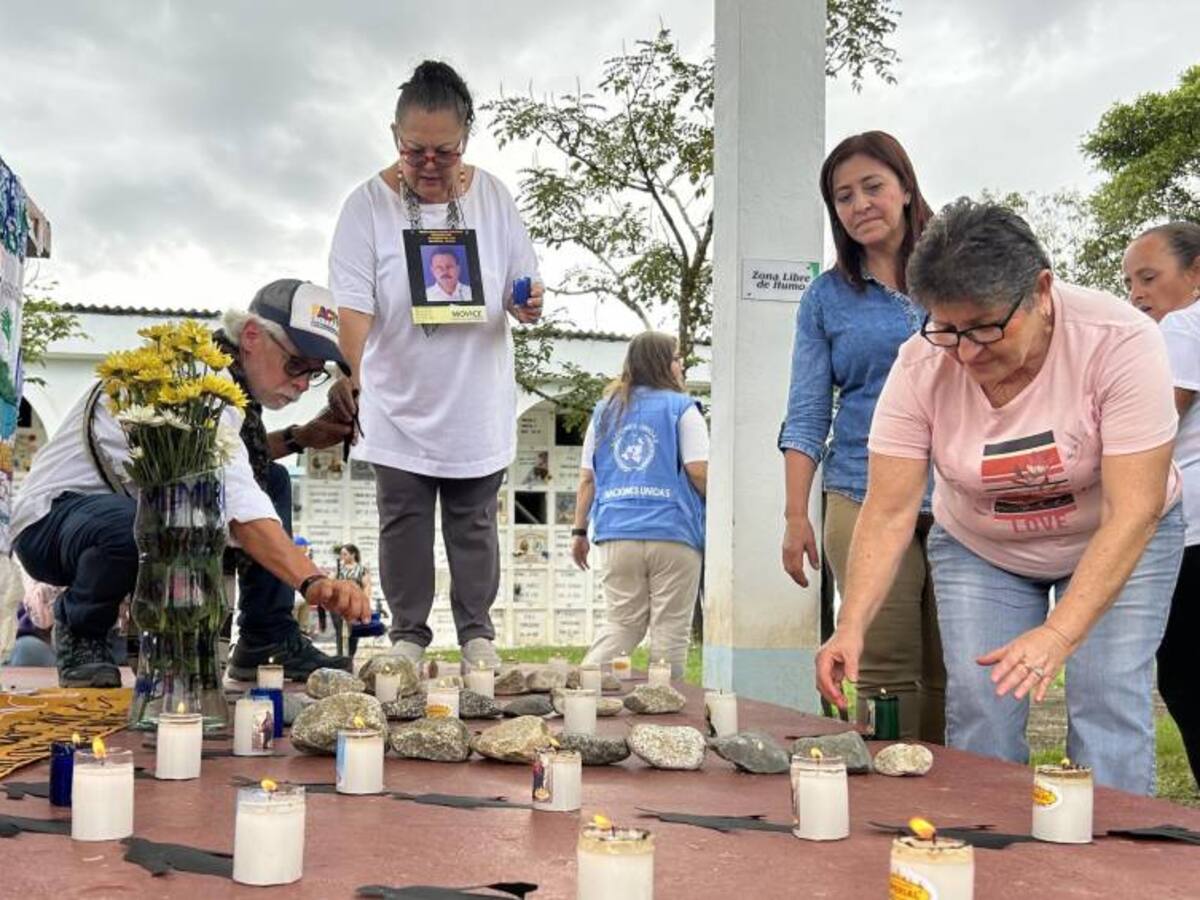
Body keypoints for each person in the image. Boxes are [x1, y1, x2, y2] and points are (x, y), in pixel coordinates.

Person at [815, 199, 1184, 795]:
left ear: (1041, 291)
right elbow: (887, 512)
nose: (966, 352)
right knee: (983, 703)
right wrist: (850, 624)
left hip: (1116, 533)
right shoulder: (919, 366)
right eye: (948, 329)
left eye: (986, 327)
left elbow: (1134, 510)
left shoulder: (1120, 342)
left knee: (1105, 692)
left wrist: (1059, 634)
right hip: (983, 548)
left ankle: (1112, 873)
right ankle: (986, 863)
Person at [12, 279, 372, 687]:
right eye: (296, 365)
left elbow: (226, 462)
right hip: (53, 522)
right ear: (252, 335)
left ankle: (265, 639)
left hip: (116, 517)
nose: (304, 384)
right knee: (141, 521)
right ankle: (83, 632)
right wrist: (313, 581)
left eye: (314, 373)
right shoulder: (194, 381)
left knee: (270, 479)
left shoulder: (229, 382)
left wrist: (298, 438)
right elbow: (234, 498)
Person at [329, 60, 542, 671]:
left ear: (466, 139)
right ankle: (407, 636)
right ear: (394, 136)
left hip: (474, 397)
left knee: (474, 522)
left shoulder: (495, 198)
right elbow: (354, 307)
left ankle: (478, 634)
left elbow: (520, 287)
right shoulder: (366, 207)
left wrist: (525, 301)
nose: (426, 164)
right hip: (398, 401)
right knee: (403, 521)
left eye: (443, 153)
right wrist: (350, 373)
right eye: (412, 150)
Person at [779, 131, 944, 742]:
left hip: (962, 497)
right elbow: (805, 413)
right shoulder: (827, 297)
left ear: (904, 187)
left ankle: (956, 808)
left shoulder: (955, 271)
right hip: (861, 492)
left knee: (955, 671)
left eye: (872, 186)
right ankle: (891, 800)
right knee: (884, 667)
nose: (859, 205)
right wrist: (798, 514)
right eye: (843, 196)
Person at [571, 332, 707, 679]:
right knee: (670, 631)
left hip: (617, 533)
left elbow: (588, 478)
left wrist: (578, 531)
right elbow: (699, 472)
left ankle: (584, 685)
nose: (682, 364)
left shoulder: (604, 412)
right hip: (673, 535)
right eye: (677, 357)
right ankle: (666, 711)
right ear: (664, 364)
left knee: (623, 623)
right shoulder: (682, 409)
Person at [1123, 221, 1200, 782]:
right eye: (1130, 282)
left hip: (1189, 535)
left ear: (1196, 274)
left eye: (1149, 277)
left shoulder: (1180, 328)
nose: (1135, 294)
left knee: (1186, 677)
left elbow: (1147, 430)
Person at [332, 543, 373, 658]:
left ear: (353, 555)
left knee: (354, 631)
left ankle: (350, 655)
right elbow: (331, 581)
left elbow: (367, 586)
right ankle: (340, 656)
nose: (342, 557)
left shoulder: (361, 569)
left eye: (345, 554)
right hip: (339, 604)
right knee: (339, 632)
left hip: (354, 603)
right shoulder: (339, 569)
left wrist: (365, 602)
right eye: (341, 554)